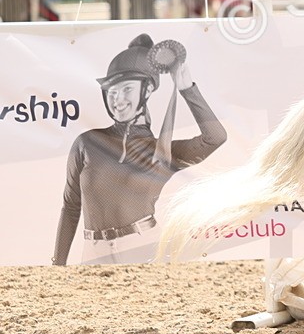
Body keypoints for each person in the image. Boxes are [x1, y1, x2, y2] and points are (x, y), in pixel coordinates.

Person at [54, 34, 228, 265]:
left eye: (127, 89)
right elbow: (71, 206)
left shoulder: (163, 151)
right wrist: (58, 264)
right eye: (112, 91)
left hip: (143, 246)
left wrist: (187, 89)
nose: (118, 99)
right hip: (94, 251)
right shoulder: (87, 143)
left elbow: (215, 137)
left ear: (147, 90)